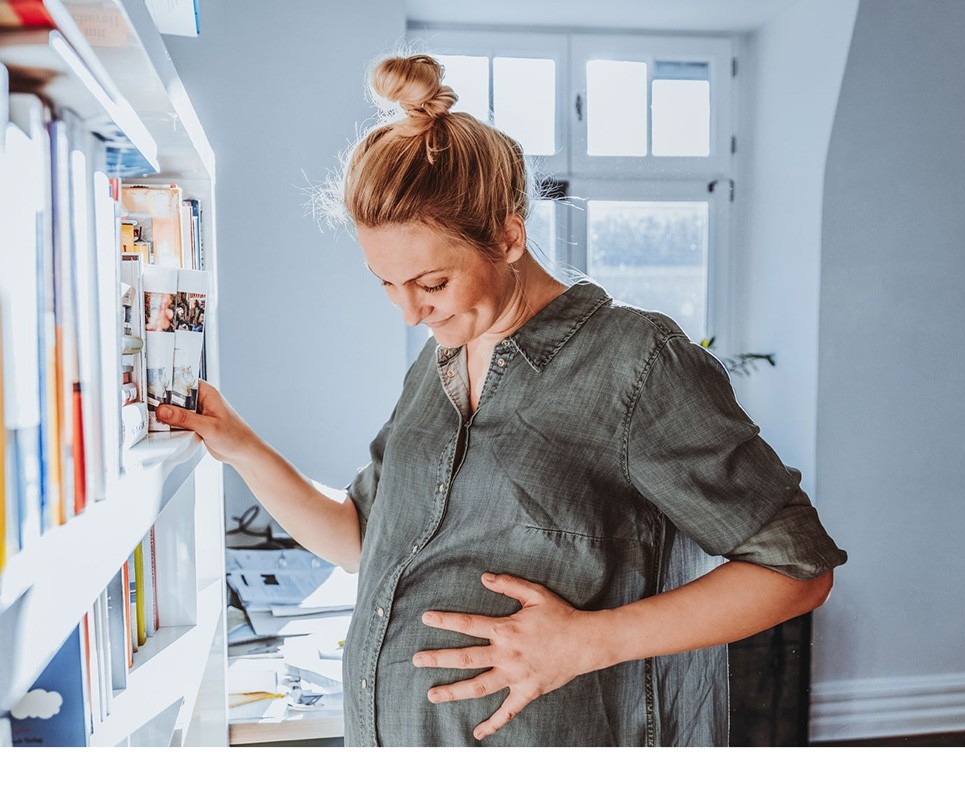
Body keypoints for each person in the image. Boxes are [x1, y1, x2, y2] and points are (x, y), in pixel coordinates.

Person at [156, 53, 847, 747]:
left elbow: (797, 567)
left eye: (430, 283)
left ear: (509, 236)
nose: (410, 314)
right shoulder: (439, 364)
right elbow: (359, 539)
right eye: (387, 285)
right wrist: (238, 443)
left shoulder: (635, 361)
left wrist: (585, 642)